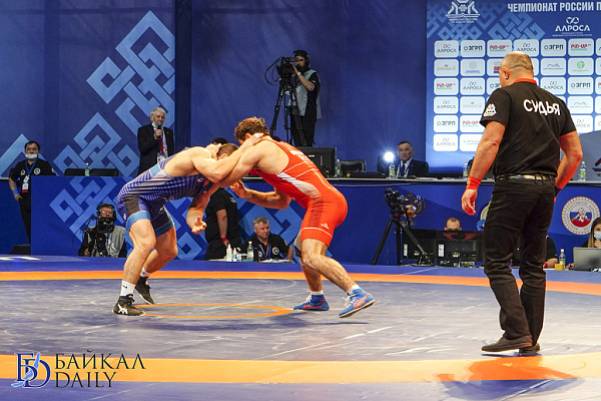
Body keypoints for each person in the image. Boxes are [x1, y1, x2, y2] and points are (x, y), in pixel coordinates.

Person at [461, 51, 582, 354]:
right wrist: (555, 187)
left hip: (513, 186)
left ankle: (517, 332)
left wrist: (472, 184)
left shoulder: (504, 96)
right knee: (533, 266)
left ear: (505, 73)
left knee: (496, 261)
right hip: (544, 189)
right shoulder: (556, 103)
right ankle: (530, 338)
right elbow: (575, 154)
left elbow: (491, 141)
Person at [221, 116, 374, 318]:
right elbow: (281, 201)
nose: (244, 149)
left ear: (249, 137)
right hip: (327, 200)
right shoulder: (280, 148)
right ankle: (317, 297)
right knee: (301, 248)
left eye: (243, 144)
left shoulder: (260, 148)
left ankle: (356, 292)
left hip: (323, 203)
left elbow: (224, 177)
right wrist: (248, 194)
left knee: (312, 256)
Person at [112, 136, 262, 316]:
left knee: (169, 250)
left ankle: (141, 278)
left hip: (156, 203)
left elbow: (196, 208)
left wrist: (195, 222)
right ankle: (123, 301)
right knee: (146, 242)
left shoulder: (212, 183)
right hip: (135, 196)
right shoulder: (200, 153)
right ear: (222, 158)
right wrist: (247, 147)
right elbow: (217, 171)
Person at [8, 140, 55, 241]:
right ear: (25, 151)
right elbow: (11, 179)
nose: (31, 151)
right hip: (24, 201)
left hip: (40, 202)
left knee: (40, 228)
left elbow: (52, 181)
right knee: (28, 228)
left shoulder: (44, 165)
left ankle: (41, 248)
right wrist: (15, 194)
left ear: (38, 151)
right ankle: (32, 247)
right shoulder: (20, 165)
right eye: (28, 149)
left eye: (34, 149)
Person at [204, 144, 243, 260]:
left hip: (221, 244)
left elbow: (222, 216)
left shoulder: (218, 194)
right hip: (233, 241)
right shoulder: (227, 195)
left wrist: (223, 237)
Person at [290, 49, 321, 147]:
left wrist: (298, 74)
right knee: (296, 139)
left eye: (301, 60)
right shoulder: (293, 76)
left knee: (306, 140)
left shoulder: (312, 74)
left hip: (308, 111)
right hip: (295, 110)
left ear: (306, 61)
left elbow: (311, 87)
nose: (298, 62)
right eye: (296, 60)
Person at [137, 107, 175, 175]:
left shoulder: (169, 132)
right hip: (150, 168)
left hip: (165, 166)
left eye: (162, 117)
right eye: (158, 116)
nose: (160, 119)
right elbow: (143, 149)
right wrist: (154, 138)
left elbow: (171, 151)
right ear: (152, 118)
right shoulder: (143, 130)